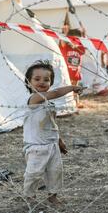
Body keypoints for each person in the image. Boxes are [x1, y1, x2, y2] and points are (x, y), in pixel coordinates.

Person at [23, 60, 85, 205]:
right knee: (34, 173)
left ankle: (52, 195)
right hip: (36, 147)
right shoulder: (34, 99)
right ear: (28, 83)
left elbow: (51, 124)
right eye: (36, 79)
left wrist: (59, 140)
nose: (42, 82)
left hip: (51, 145)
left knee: (55, 172)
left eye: (46, 79)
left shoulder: (48, 104)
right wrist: (72, 87)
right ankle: (30, 196)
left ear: (50, 82)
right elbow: (56, 93)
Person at [59, 24, 86, 108]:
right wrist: (65, 34)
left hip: (75, 73)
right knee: (66, 88)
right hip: (66, 73)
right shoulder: (65, 46)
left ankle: (76, 102)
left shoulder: (80, 48)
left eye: (77, 39)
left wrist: (84, 34)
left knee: (75, 88)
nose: (74, 41)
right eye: (72, 39)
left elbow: (84, 45)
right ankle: (67, 103)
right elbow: (62, 41)